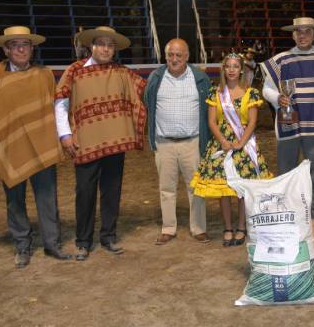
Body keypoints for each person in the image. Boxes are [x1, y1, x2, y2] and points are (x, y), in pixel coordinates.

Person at [0, 26, 71, 268]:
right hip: (9, 149)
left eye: (26, 44)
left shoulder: (44, 75)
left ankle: (52, 244)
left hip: (42, 146)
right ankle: (22, 245)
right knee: (15, 201)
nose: (21, 49)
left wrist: (62, 137)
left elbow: (55, 108)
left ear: (32, 48)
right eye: (15, 45)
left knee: (47, 199)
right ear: (6, 49)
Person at [55, 26, 147, 261]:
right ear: (91, 46)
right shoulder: (75, 71)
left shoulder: (122, 72)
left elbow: (146, 91)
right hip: (85, 144)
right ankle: (83, 241)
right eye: (101, 44)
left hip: (115, 143)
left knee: (112, 191)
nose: (106, 49)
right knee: (84, 192)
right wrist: (65, 135)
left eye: (110, 45)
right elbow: (60, 103)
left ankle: (108, 236)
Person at [261, 17, 314, 215]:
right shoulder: (281, 60)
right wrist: (278, 97)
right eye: (299, 31)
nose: (303, 35)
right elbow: (266, 89)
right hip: (289, 123)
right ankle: (287, 212)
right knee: (286, 169)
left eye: (307, 31)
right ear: (293, 35)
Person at [191, 53, 272, 246]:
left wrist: (241, 142)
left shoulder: (251, 92)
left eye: (236, 66)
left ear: (241, 69)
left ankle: (242, 227)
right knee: (224, 188)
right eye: (228, 66)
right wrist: (223, 141)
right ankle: (228, 227)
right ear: (223, 69)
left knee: (242, 189)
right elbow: (212, 121)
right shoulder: (215, 92)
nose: (232, 70)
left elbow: (252, 122)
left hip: (244, 145)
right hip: (221, 145)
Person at [144, 38, 212, 245]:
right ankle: (168, 228)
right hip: (164, 143)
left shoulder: (200, 78)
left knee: (196, 188)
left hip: (192, 142)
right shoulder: (156, 78)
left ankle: (198, 228)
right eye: (171, 55)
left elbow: (210, 108)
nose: (174, 59)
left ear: (187, 57)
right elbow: (147, 103)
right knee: (166, 188)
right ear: (165, 56)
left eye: (179, 55)